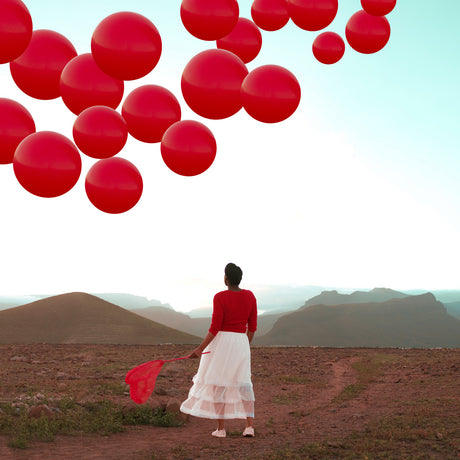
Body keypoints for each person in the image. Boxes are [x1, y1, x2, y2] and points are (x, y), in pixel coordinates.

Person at [180, 263, 258, 438]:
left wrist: (200, 349)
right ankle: (249, 427)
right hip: (241, 342)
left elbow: (215, 327)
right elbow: (252, 327)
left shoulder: (220, 297)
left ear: (226, 279)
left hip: (221, 342)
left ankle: (221, 429)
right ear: (240, 279)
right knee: (244, 382)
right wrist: (243, 344)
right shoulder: (250, 296)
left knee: (218, 383)